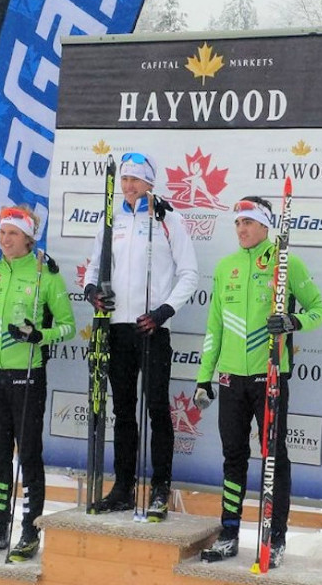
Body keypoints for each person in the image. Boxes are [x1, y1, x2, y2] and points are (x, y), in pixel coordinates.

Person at [195, 195, 322, 568]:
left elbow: (318, 308)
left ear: (266, 226)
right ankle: (229, 533)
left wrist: (293, 322)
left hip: (269, 376)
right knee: (233, 457)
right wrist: (204, 377)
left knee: (274, 458)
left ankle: (276, 536)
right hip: (230, 379)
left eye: (249, 222)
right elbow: (214, 328)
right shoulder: (225, 267)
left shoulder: (284, 263)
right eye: (237, 222)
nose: (242, 229)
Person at [0, 204, 75, 561]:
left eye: (13, 233)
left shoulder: (45, 275)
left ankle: (29, 529)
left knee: (30, 456)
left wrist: (39, 335)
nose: (5, 239)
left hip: (27, 376)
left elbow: (67, 326)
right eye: (2, 232)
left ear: (28, 239)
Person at [84, 152, 198, 520]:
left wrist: (164, 311)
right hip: (116, 329)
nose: (129, 186)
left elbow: (190, 274)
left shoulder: (168, 219)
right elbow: (91, 270)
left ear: (151, 183)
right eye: (125, 179)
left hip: (151, 329)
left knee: (157, 409)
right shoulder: (110, 218)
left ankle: (161, 486)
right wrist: (93, 293)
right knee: (122, 410)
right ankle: (123, 487)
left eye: (137, 179)